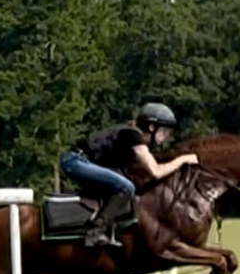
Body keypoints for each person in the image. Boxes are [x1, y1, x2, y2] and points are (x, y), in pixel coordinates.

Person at [59, 102, 199, 247]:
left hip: (80, 162)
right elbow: (156, 172)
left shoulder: (131, 137)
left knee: (126, 186)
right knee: (127, 187)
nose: (166, 135)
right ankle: (95, 231)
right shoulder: (133, 137)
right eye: (164, 130)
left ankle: (110, 231)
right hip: (75, 161)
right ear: (152, 127)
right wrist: (182, 160)